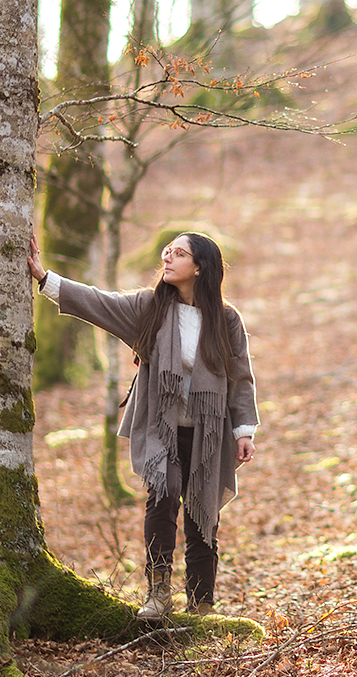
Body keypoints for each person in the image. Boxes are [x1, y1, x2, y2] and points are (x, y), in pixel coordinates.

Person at [27, 231, 257, 620]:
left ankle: (201, 608)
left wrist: (244, 430)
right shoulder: (149, 307)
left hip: (208, 432)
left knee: (203, 517)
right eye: (167, 251)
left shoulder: (227, 319)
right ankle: (158, 594)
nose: (167, 258)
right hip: (160, 427)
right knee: (164, 493)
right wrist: (45, 278)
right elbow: (98, 303)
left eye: (178, 253)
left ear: (199, 267)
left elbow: (241, 376)